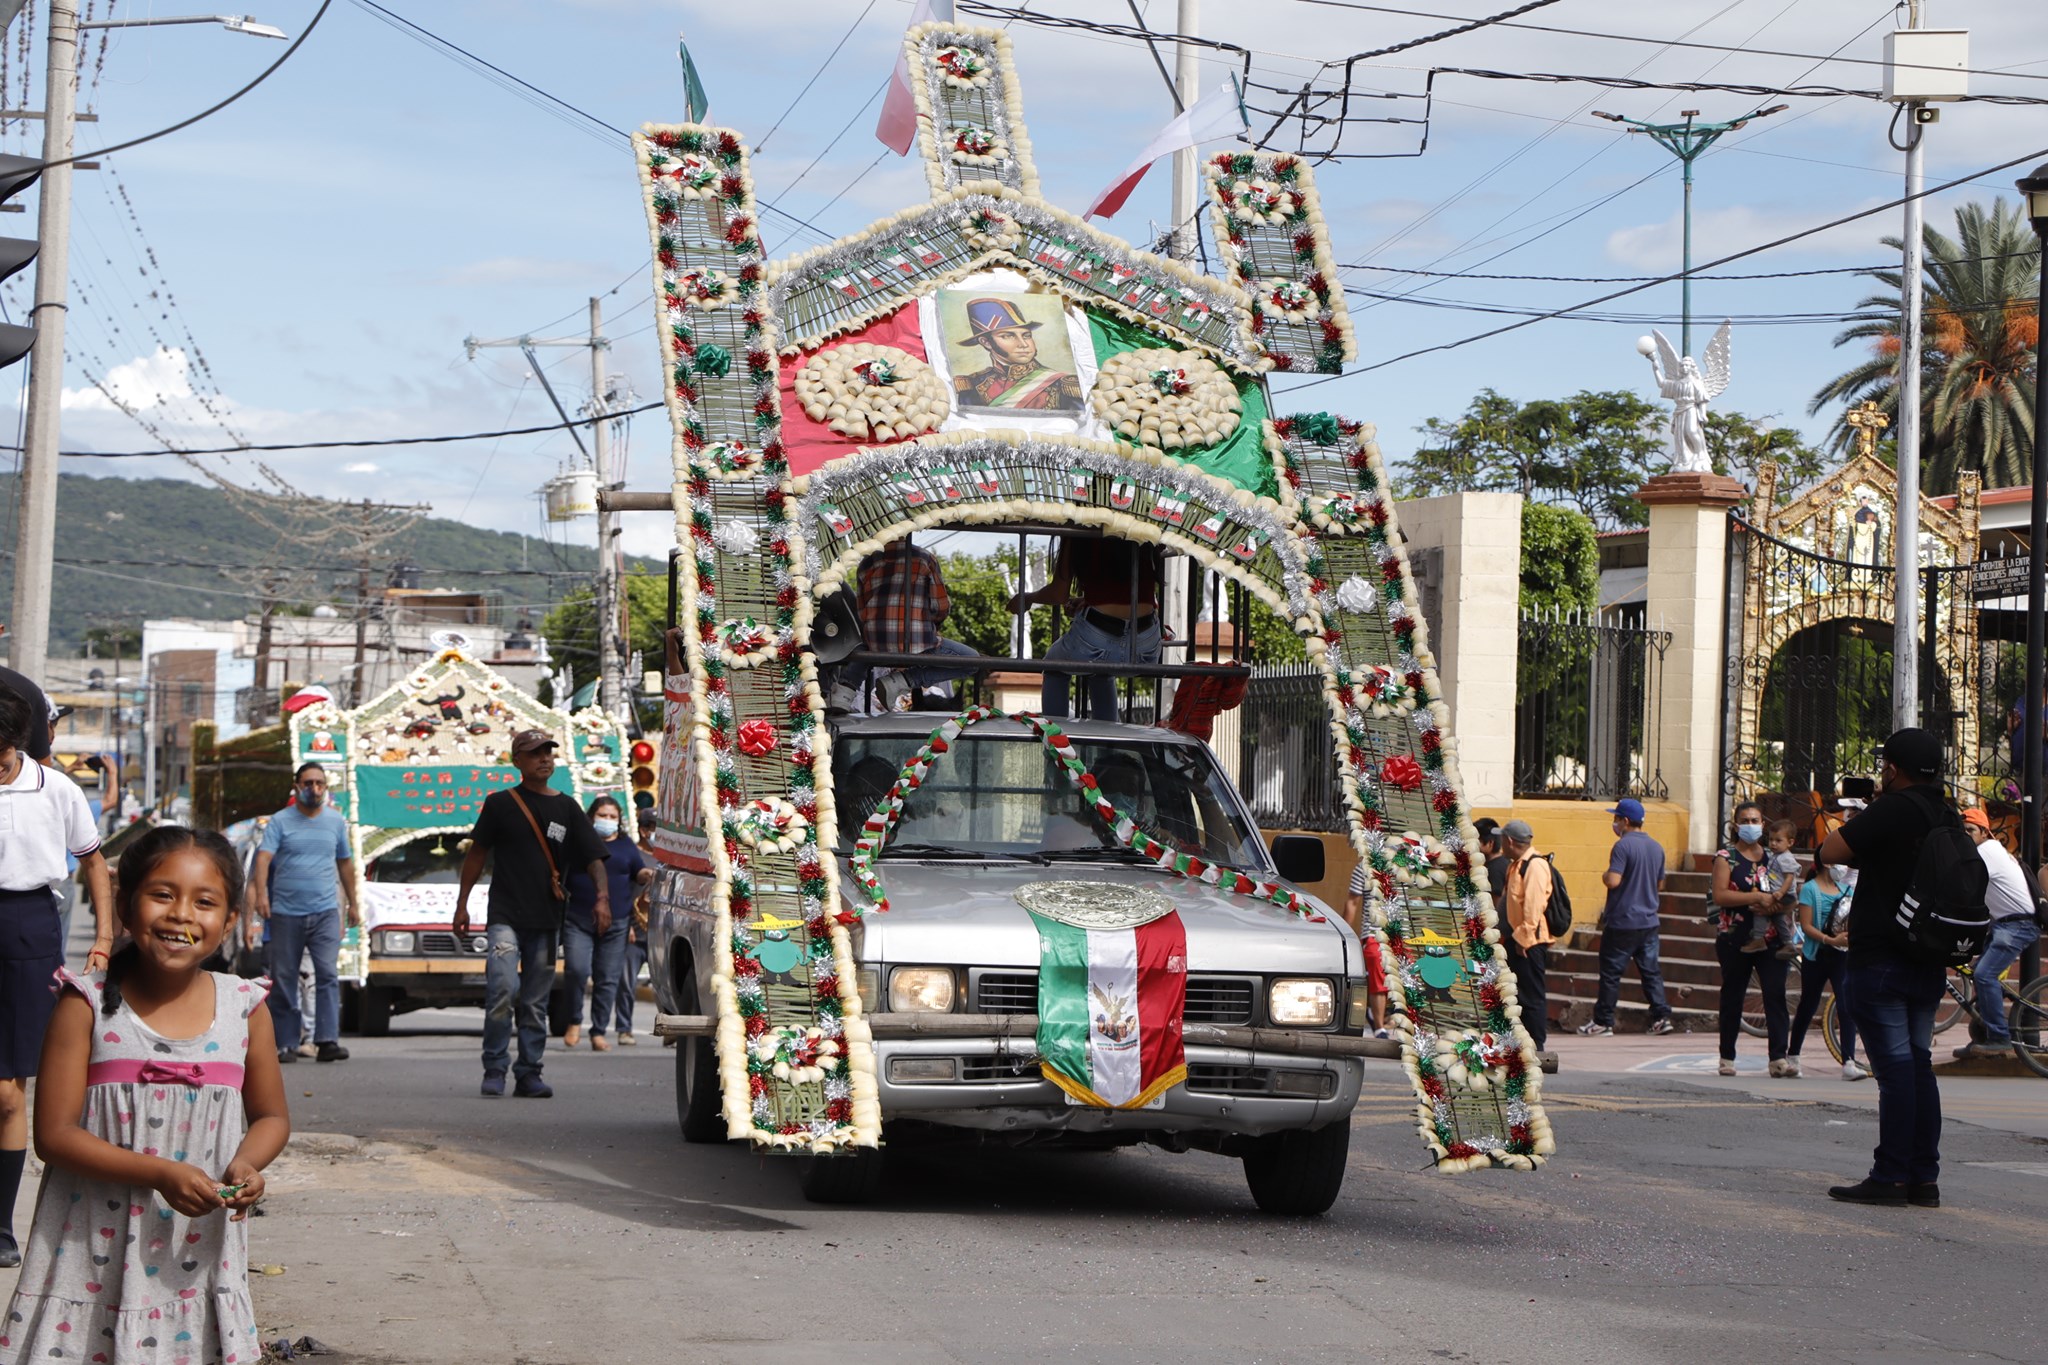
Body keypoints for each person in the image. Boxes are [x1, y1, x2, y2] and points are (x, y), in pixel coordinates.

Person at [0, 825, 289, 1360]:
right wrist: (160, 1172)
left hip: (196, 1258)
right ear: (125, 908)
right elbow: (54, 1137)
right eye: (162, 894)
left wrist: (247, 1164)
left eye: (204, 902)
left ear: (229, 922)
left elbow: (272, 1117)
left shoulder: (245, 1007)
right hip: (88, 1254)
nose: (181, 915)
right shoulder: (84, 1004)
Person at [0, 686, 114, 1271]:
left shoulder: (55, 789)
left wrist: (104, 938)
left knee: (6, 1091)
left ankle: (1, 1226)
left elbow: (93, 860)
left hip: (29, 927)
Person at [1817, 728, 1954, 1207]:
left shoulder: (1891, 808)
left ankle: (1891, 1175)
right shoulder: (1947, 813)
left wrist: (1870, 812)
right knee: (1918, 1066)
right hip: (1928, 956)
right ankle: (1924, 1178)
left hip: (1882, 959)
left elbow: (1829, 852)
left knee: (1895, 1071)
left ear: (1892, 769)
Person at [454, 730, 609, 1099]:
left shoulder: (567, 808)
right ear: (517, 761)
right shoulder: (500, 803)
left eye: (548, 752)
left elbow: (594, 858)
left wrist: (602, 898)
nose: (544, 758)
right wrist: (462, 903)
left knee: (536, 1002)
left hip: (547, 918)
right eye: (535, 753)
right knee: (503, 989)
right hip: (505, 916)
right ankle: (495, 1067)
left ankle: (529, 1073)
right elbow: (477, 854)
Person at [252, 762, 358, 1065]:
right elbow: (263, 859)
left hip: (325, 912)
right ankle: (286, 1043)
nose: (314, 789)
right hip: (286, 913)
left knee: (327, 975)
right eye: (308, 783)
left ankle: (327, 1041)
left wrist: (353, 903)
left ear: (326, 787)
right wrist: (262, 895)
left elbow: (345, 864)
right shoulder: (280, 821)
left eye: (320, 783)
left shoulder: (335, 822)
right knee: (284, 978)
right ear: (297, 786)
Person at [1010, 536, 1163, 720]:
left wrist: (1027, 598)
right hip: (1146, 641)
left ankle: (1057, 733)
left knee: (1053, 666)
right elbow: (1130, 591)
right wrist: (1090, 601)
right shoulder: (1140, 527)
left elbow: (1058, 594)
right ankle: (1108, 735)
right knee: (1101, 671)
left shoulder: (1081, 529)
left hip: (1098, 635)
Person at [839, 536, 980, 711]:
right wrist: (933, 627)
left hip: (877, 643)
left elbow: (862, 612)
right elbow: (941, 607)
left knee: (863, 649)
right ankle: (905, 680)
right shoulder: (925, 558)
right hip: (918, 642)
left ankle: (843, 692)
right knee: (973, 662)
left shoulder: (866, 563)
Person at [561, 796, 653, 1053]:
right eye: (603, 815)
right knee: (577, 970)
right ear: (591, 816)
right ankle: (574, 1020)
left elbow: (638, 872)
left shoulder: (626, 845)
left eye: (613, 817)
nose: (608, 821)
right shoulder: (579, 842)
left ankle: (599, 1031)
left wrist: (647, 874)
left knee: (608, 978)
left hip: (617, 922)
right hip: (578, 919)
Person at [1711, 799, 1792, 1077]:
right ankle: (1727, 1057)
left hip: (1771, 939)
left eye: (1755, 821)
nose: (1750, 825)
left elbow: (1790, 894)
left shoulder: (1774, 857)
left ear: (1763, 824)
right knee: (1733, 995)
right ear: (1736, 826)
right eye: (1745, 821)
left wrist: (1773, 906)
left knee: (1775, 994)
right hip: (1735, 938)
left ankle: (1778, 1058)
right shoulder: (1726, 857)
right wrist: (1755, 897)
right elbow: (1720, 895)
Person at [1578, 798, 1673, 1036]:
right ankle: (1661, 1017)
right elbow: (1660, 884)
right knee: (1651, 972)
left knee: (1611, 974)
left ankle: (1603, 1021)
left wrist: (1604, 875)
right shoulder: (1656, 847)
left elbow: (1613, 880)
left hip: (1623, 921)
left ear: (1626, 821)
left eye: (1616, 818)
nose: (1615, 823)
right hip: (1649, 921)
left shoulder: (1622, 846)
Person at [1954, 806, 2040, 1060]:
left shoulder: (1987, 851)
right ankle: (1983, 1036)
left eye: (1971, 830)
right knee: (1980, 974)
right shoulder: (1985, 851)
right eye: (1962, 831)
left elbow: (1963, 886)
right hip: (2004, 923)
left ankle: (2000, 1038)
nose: (1966, 835)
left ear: (1984, 832)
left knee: (1984, 975)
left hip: (2018, 924)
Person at [1788, 859, 1867, 1081]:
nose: (1842, 867)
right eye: (1837, 862)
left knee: (1845, 1004)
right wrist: (1829, 940)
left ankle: (1848, 1062)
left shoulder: (1845, 889)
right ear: (1825, 863)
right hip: (1817, 954)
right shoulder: (1810, 889)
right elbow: (1806, 926)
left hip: (1841, 955)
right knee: (1808, 1004)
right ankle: (1793, 1056)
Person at [951, 296, 1083, 411]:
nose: (1023, 344)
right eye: (1008, 336)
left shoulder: (1063, 384)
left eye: (1026, 335)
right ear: (986, 342)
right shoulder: (974, 384)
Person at [1500, 819, 1553, 1051]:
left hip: (1529, 942)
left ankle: (1537, 1045)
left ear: (1510, 841)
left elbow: (1533, 907)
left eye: (1502, 839)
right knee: (1517, 994)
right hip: (1517, 938)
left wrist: (1523, 939)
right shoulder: (1516, 865)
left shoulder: (1535, 865)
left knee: (1531, 996)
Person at [1342, 863, 1391, 1038]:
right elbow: (1352, 902)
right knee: (1378, 973)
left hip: (1402, 934)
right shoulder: (1364, 867)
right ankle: (1379, 1027)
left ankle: (1380, 1014)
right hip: (1373, 933)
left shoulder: (1409, 864)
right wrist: (1345, 935)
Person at [1745, 819, 1803, 958]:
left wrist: (1781, 892)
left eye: (1778, 840)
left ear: (1790, 842)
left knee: (1760, 910)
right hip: (1778, 892)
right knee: (1778, 918)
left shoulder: (1786, 858)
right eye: (1771, 840)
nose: (1773, 844)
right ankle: (1788, 943)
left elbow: (1789, 877)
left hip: (1784, 894)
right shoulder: (1776, 856)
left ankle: (1758, 938)